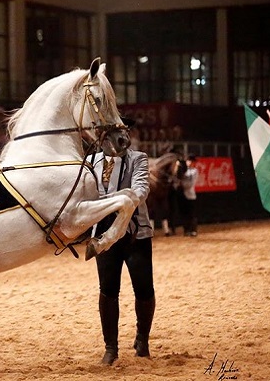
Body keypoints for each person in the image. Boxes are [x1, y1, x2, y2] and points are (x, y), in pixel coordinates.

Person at [90, 118, 155, 366]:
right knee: (108, 290)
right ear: (102, 137)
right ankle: (110, 348)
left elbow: (140, 190)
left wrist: (112, 202)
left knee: (144, 288)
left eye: (123, 131)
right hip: (104, 235)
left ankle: (143, 340)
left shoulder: (138, 158)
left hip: (135, 234)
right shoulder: (91, 162)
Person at [178, 153, 199, 237]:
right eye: (188, 160)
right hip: (182, 195)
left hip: (190, 195)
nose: (189, 162)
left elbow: (190, 184)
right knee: (184, 213)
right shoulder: (183, 170)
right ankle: (186, 230)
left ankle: (193, 230)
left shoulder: (194, 171)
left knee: (191, 214)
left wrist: (181, 184)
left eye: (190, 161)